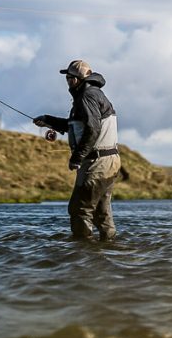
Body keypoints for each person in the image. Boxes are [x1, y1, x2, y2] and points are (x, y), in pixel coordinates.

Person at [33, 59, 120, 242]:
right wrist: (48, 120)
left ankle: (82, 253)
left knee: (79, 209)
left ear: (75, 79)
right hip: (107, 161)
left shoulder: (86, 96)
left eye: (68, 78)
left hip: (97, 162)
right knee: (101, 211)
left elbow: (92, 129)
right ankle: (110, 252)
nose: (67, 81)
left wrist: (77, 158)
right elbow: (77, 125)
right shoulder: (91, 94)